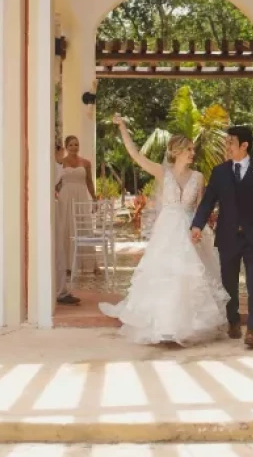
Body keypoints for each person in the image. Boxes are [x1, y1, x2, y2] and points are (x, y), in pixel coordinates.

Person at [99, 115, 229, 346]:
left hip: (189, 230)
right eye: (188, 149)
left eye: (192, 149)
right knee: (165, 275)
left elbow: (201, 208)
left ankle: (187, 326)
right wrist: (123, 128)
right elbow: (136, 155)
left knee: (189, 276)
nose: (192, 152)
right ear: (176, 151)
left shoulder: (198, 178)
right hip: (167, 231)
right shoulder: (162, 172)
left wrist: (200, 230)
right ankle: (163, 326)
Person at [191, 126, 253, 350]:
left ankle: (252, 329)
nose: (227, 147)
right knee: (229, 283)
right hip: (227, 236)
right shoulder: (220, 172)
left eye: (231, 143)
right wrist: (197, 224)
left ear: (244, 145)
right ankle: (233, 320)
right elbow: (208, 201)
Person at [56, 135, 98, 280]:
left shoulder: (86, 162)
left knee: (83, 226)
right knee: (66, 227)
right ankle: (66, 264)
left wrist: (94, 198)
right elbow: (55, 181)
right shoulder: (60, 162)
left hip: (81, 195)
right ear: (66, 147)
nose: (74, 147)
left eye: (76, 144)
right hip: (66, 196)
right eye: (71, 145)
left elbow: (89, 182)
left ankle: (88, 264)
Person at [54, 142, 80, 306]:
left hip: (56, 202)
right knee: (57, 248)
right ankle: (60, 290)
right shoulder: (54, 166)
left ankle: (60, 288)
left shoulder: (55, 166)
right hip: (53, 205)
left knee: (58, 248)